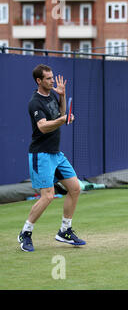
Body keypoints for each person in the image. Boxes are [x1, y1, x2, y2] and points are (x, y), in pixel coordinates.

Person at [18, 64, 86, 252]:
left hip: (56, 154)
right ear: (39, 81)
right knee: (47, 196)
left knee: (75, 188)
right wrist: (62, 120)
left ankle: (64, 231)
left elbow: (61, 115)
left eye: (52, 77)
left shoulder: (52, 96)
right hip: (41, 154)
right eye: (48, 78)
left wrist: (62, 96)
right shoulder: (35, 102)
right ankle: (26, 232)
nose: (52, 80)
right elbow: (43, 126)